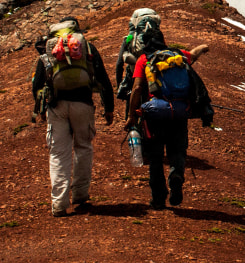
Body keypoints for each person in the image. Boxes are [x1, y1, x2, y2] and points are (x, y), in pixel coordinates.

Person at [32, 17, 114, 217]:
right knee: (83, 148)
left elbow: (38, 84)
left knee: (58, 153)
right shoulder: (87, 47)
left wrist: (40, 110)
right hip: (83, 104)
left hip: (57, 106)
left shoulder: (49, 48)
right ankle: (80, 195)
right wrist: (109, 108)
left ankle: (59, 204)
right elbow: (102, 78)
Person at [123, 19, 210, 209]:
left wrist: (131, 115)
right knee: (177, 150)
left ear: (145, 43)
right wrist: (203, 47)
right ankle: (176, 174)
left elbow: (137, 88)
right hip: (179, 112)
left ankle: (158, 198)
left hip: (154, 114)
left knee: (155, 157)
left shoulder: (144, 59)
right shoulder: (177, 55)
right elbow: (193, 55)